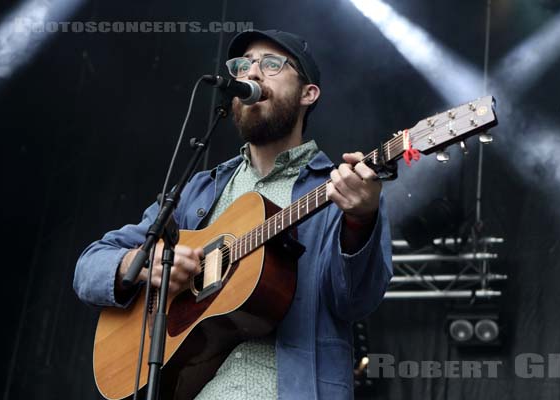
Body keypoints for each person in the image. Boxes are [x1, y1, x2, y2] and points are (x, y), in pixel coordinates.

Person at [74, 29, 393, 399]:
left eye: (271, 64)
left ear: (309, 94)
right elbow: (89, 266)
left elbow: (356, 300)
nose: (252, 74)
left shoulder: (339, 190)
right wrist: (145, 263)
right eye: (243, 66)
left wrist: (360, 219)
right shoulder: (199, 190)